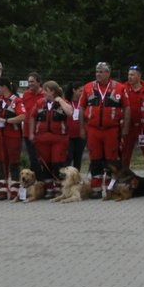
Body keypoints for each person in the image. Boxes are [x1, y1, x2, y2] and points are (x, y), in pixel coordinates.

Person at [77, 62, 127, 198]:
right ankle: (96, 189)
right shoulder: (88, 87)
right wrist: (81, 128)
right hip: (93, 129)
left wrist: (125, 128)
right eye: (96, 71)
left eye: (101, 71)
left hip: (111, 129)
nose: (98, 74)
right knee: (95, 159)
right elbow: (81, 108)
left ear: (108, 73)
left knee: (111, 160)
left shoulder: (119, 87)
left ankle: (110, 188)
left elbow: (127, 108)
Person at [32, 82, 74, 195]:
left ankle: (59, 187)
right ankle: (49, 188)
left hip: (59, 139)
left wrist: (60, 100)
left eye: (46, 90)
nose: (43, 92)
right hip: (42, 139)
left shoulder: (63, 102)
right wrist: (32, 134)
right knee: (45, 164)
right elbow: (32, 117)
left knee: (57, 163)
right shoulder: (40, 103)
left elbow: (70, 112)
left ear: (53, 91)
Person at [0, 78, 25, 200]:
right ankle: (2, 188)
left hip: (12, 135)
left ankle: (15, 188)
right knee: (0, 161)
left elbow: (22, 116)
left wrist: (7, 121)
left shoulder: (16, 101)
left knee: (13, 161)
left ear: (4, 87)